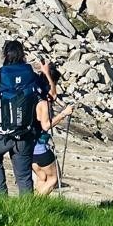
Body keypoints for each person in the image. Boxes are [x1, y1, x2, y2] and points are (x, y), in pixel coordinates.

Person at [0, 41, 50, 195]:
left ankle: (0, 198)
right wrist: (46, 74)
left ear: (5, 56)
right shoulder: (33, 78)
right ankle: (27, 206)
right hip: (24, 136)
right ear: (23, 56)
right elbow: (50, 95)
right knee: (24, 176)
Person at [31, 60, 73, 195]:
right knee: (54, 179)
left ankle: (35, 204)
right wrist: (63, 114)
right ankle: (33, 203)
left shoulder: (33, 94)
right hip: (40, 147)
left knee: (42, 177)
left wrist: (46, 74)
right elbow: (45, 125)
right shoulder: (44, 103)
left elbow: (53, 95)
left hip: (29, 146)